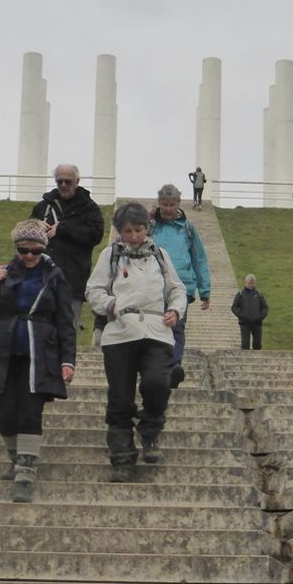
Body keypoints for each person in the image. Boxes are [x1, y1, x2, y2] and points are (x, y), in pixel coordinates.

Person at [0, 219, 76, 503]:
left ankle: (26, 473)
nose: (28, 255)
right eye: (23, 250)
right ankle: (16, 459)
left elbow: (66, 321)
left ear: (43, 249)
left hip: (39, 354)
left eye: (34, 250)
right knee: (4, 414)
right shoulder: (2, 273)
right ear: (16, 248)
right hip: (3, 351)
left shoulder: (54, 277)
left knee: (30, 412)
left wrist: (68, 360)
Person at [86, 201, 188, 482]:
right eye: (127, 231)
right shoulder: (111, 255)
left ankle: (150, 429)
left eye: (138, 230)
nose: (133, 236)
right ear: (119, 231)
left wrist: (175, 310)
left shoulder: (160, 255)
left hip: (156, 331)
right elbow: (93, 290)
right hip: (120, 334)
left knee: (157, 382)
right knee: (120, 397)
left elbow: (177, 288)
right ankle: (121, 456)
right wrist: (111, 305)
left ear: (147, 228)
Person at [149, 183, 211, 388]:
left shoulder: (188, 228)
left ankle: (174, 366)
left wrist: (205, 290)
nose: (168, 209)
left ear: (178, 204)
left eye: (172, 204)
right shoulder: (151, 226)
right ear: (159, 204)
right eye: (164, 204)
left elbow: (199, 258)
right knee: (157, 327)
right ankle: (159, 367)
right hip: (154, 284)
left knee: (177, 326)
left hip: (182, 285)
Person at [31, 164, 105, 330]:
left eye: (68, 181)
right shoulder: (43, 207)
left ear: (77, 181)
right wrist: (35, 226)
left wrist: (63, 229)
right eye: (60, 182)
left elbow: (96, 235)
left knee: (67, 334)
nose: (63, 185)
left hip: (72, 282)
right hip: (41, 280)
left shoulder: (89, 207)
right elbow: (24, 235)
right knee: (39, 330)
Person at [231, 274, 269, 350]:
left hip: (257, 323)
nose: (251, 285)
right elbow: (234, 307)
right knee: (245, 345)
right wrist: (242, 315)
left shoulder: (259, 294)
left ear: (255, 283)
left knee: (257, 345)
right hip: (245, 323)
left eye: (252, 283)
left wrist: (260, 316)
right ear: (245, 282)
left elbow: (265, 307)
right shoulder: (240, 294)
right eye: (249, 283)